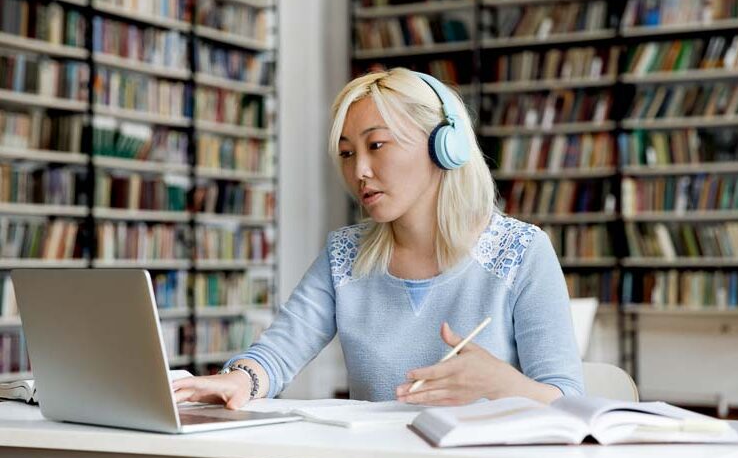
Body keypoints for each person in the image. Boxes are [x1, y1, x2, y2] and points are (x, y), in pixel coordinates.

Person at [173, 68, 584, 409]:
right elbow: (277, 354)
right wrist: (241, 379)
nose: (360, 171)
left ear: (445, 146)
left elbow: (567, 399)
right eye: (348, 153)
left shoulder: (523, 251)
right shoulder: (344, 254)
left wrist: (502, 384)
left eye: (377, 144)